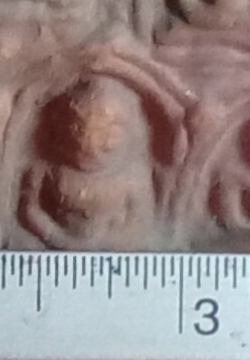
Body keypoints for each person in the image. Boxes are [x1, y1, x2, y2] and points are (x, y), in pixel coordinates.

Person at [20, 75, 155, 249]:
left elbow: (138, 225)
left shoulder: (134, 177)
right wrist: (57, 237)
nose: (89, 144)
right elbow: (30, 210)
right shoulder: (48, 169)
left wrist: (102, 246)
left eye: (107, 133)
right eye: (78, 128)